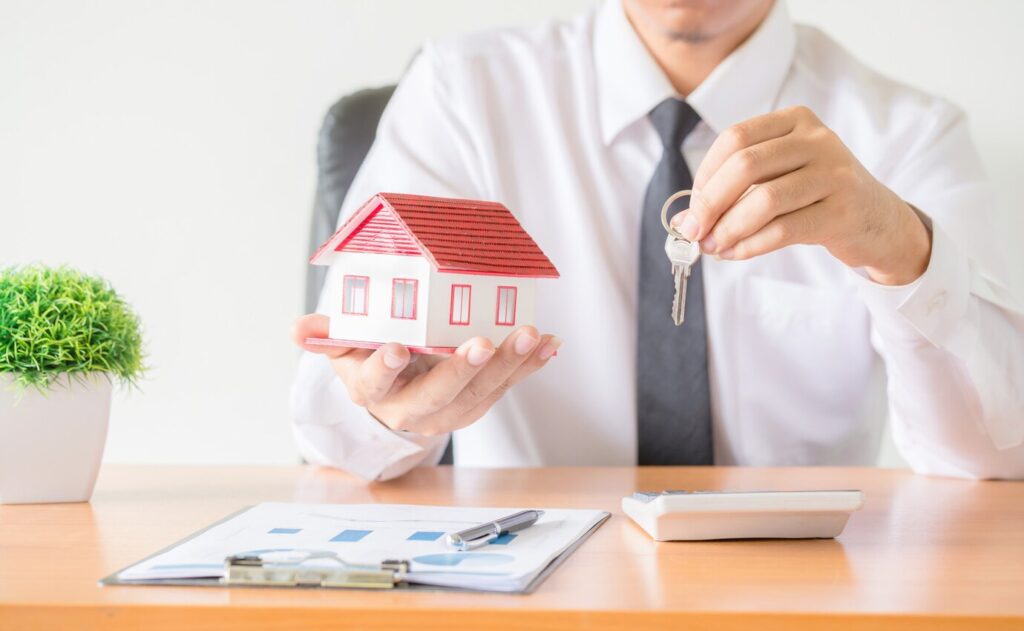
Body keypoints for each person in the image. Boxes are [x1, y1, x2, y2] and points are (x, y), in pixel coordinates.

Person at [290, 0, 1024, 481]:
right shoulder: (460, 94)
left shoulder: (910, 133)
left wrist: (901, 250)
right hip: (531, 588)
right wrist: (387, 413)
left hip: (798, 590)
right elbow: (329, 423)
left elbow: (997, 457)